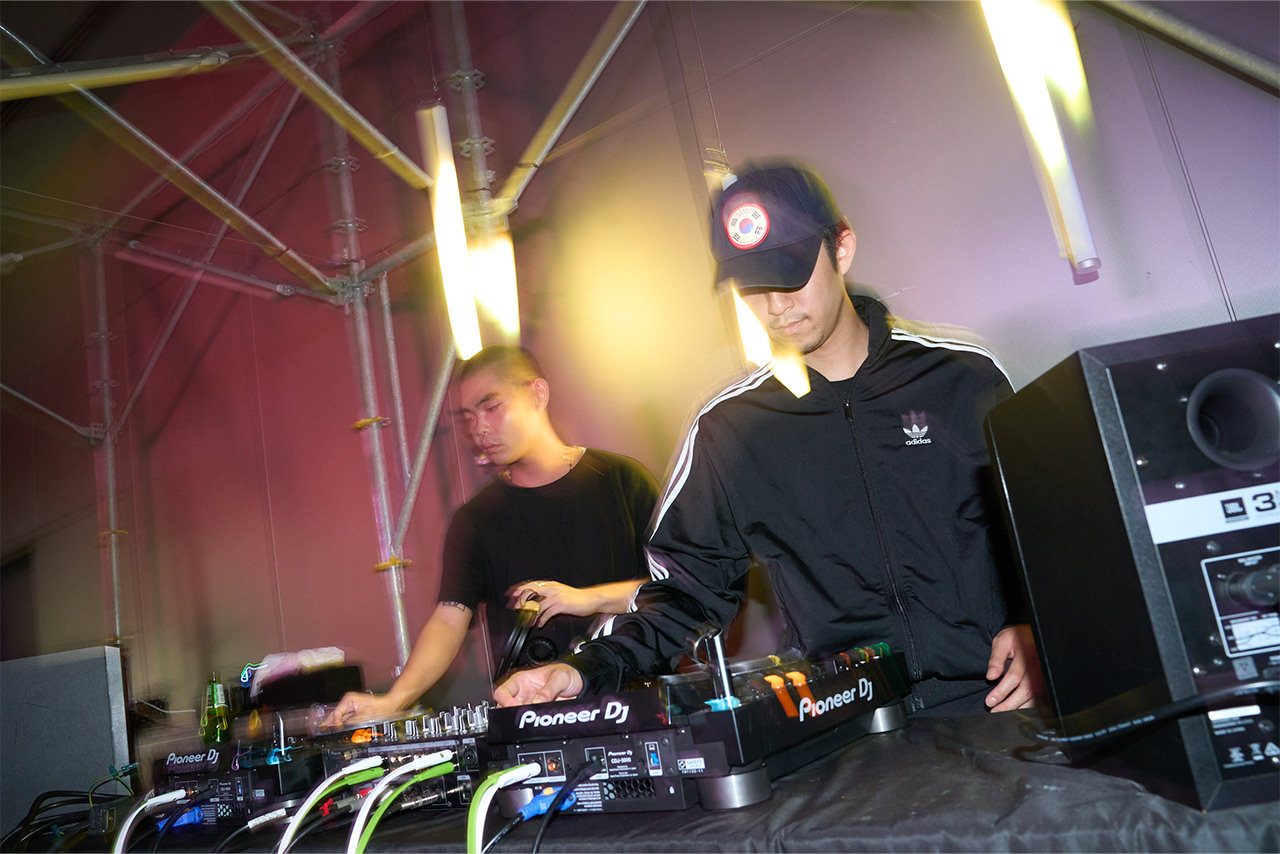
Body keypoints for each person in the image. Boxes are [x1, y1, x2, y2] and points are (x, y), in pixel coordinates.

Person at [495, 161, 1041, 715]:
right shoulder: (729, 427)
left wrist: (1040, 625)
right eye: (753, 286)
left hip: (995, 707)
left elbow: (1049, 527)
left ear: (842, 248)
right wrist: (583, 670)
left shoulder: (962, 377)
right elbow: (685, 596)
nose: (776, 307)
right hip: (843, 724)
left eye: (791, 275)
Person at [324, 346, 659, 726]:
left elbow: (678, 590)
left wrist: (585, 599)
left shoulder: (623, 482)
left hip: (636, 704)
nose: (479, 428)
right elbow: (449, 619)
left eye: (492, 407)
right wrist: (394, 699)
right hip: (533, 716)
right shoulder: (475, 520)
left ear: (537, 394)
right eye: (468, 417)